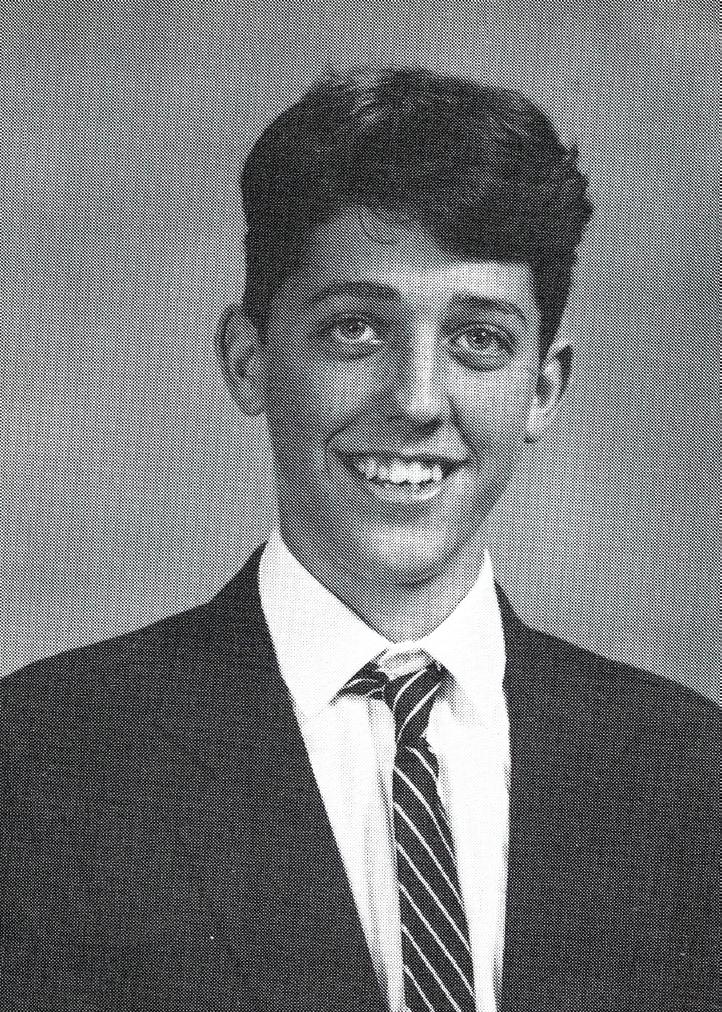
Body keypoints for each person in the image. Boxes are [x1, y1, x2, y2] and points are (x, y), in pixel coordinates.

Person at [1, 67, 718, 1012]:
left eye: (480, 339)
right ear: (249, 360)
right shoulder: (44, 762)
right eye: (355, 329)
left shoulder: (689, 774)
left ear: (543, 389)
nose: (418, 400)